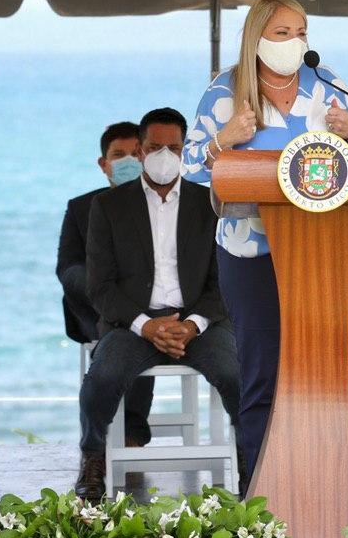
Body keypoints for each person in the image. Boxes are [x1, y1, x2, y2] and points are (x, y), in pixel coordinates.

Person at [181, 0, 348, 482]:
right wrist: (225, 140)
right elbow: (191, 168)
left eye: (301, 32)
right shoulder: (225, 90)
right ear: (256, 37)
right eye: (282, 33)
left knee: (319, 371)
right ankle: (261, 490)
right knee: (262, 372)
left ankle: (320, 481)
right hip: (249, 252)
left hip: (320, 248)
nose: (294, 42)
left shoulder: (327, 83)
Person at [75, 108, 241, 499]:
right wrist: (146, 326)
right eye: (154, 147)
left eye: (173, 147)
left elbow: (224, 281)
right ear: (140, 150)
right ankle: (93, 460)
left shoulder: (211, 203)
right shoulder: (110, 207)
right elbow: (101, 287)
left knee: (237, 376)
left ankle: (252, 459)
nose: (164, 155)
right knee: (100, 380)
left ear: (185, 150)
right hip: (133, 326)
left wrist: (192, 324)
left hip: (197, 325)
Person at [57, 121, 155, 447]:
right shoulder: (80, 208)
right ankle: (122, 437)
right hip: (98, 310)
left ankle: (125, 436)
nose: (129, 161)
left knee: (135, 330)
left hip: (156, 311)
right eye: (119, 155)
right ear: (104, 164)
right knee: (127, 329)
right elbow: (68, 269)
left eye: (136, 153)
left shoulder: (169, 204)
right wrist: (107, 292)